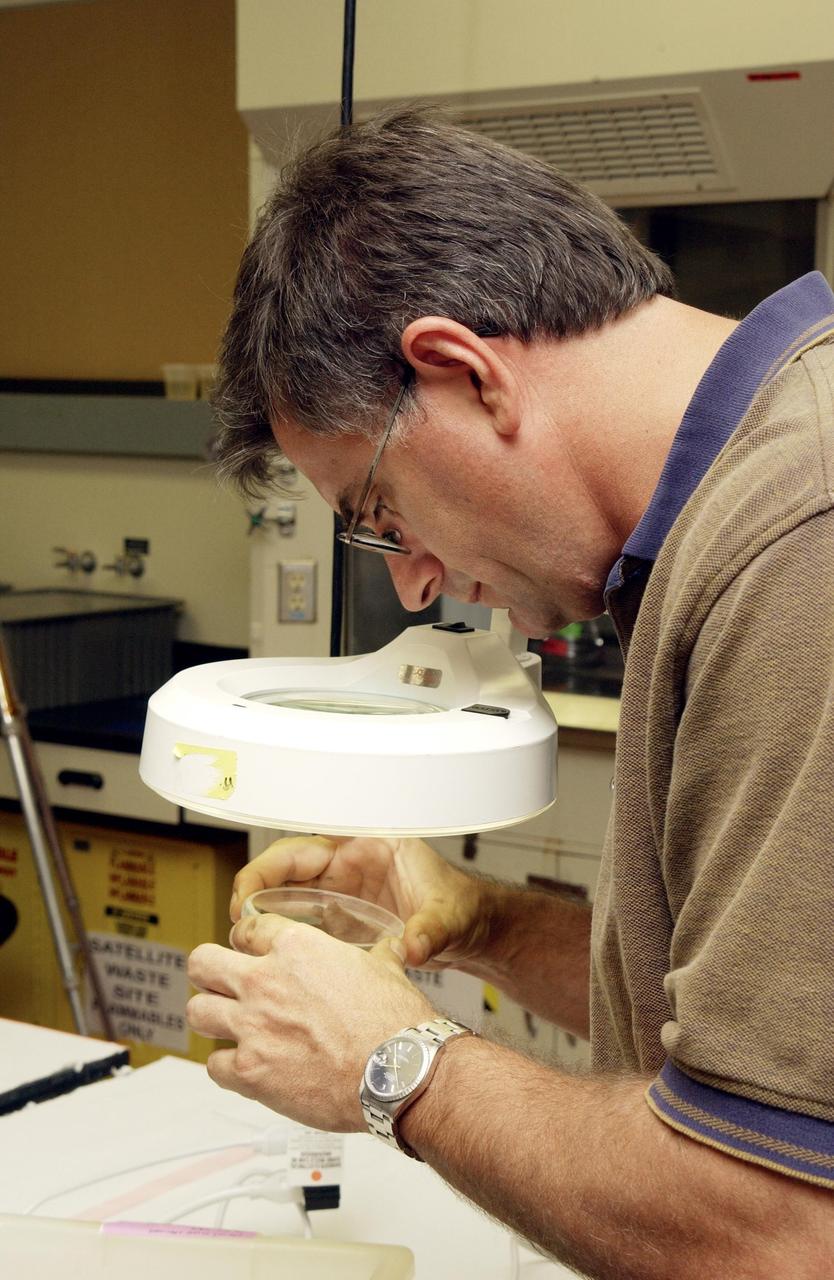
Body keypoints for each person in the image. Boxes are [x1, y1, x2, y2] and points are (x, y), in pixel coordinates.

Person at [186, 109, 834, 1278]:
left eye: (380, 518)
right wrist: (485, 925)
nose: (420, 583)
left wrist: (397, 1064)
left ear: (464, 372)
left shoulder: (800, 538)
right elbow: (756, 1046)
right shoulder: (729, 516)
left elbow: (784, 1228)